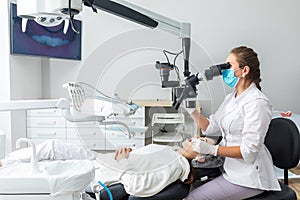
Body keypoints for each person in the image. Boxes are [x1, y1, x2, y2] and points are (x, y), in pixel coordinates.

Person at [184, 46, 281, 200]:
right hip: (229, 168)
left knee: (192, 198)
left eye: (228, 66)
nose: (224, 71)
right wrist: (191, 110)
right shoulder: (231, 98)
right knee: (185, 188)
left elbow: (248, 151)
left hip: (248, 177)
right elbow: (210, 127)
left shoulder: (257, 103)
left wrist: (213, 150)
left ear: (245, 70)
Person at [0, 138, 200, 199]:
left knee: (42, 169)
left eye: (202, 141)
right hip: (100, 161)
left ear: (200, 157)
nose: (196, 138)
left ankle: (5, 170)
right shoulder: (170, 151)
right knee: (52, 147)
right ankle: (4, 163)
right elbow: (140, 161)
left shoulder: (175, 166)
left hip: (96, 174)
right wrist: (130, 152)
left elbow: (137, 185)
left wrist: (123, 160)